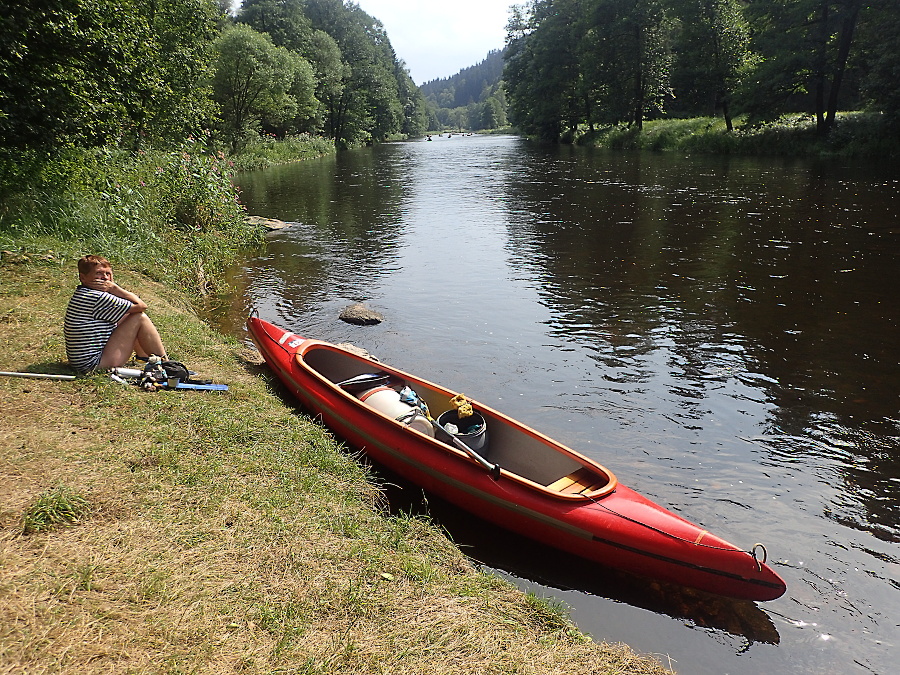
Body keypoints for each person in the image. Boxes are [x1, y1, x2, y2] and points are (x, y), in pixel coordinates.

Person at [64, 255, 168, 373]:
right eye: (99, 273)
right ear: (83, 278)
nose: (105, 278)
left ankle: (143, 357)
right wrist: (115, 288)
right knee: (140, 318)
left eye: (108, 273)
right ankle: (167, 365)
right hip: (92, 365)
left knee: (126, 315)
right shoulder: (97, 297)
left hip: (81, 362)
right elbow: (141, 306)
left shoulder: (83, 293)